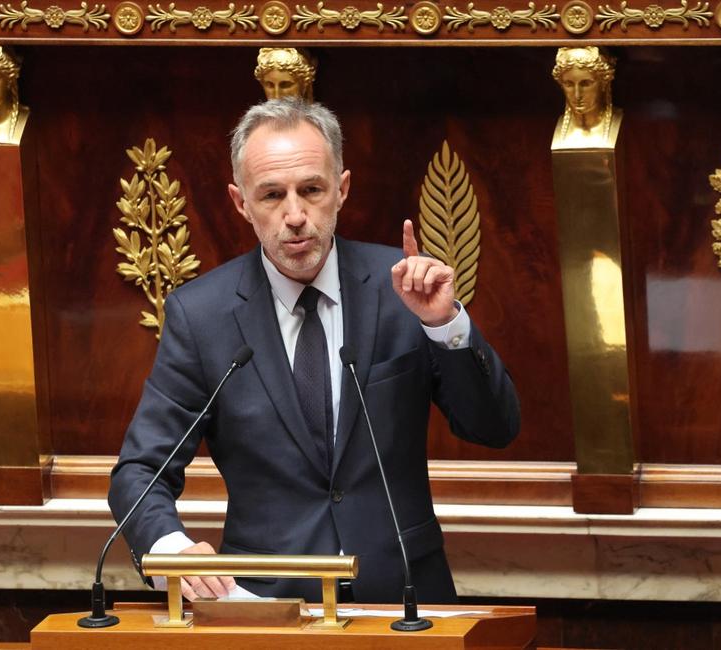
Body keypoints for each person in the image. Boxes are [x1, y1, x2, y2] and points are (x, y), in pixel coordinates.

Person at [108, 98, 520, 605]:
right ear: (241, 203)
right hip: (267, 607)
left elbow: (495, 427)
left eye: (311, 190)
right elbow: (140, 471)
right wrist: (173, 551)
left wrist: (443, 324)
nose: (296, 216)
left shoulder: (403, 292)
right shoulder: (202, 317)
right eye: (272, 195)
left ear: (341, 189)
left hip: (403, 601)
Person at [551, 46, 618, 148]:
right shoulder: (547, 129)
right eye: (569, 84)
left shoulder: (624, 125)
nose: (577, 95)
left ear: (604, 82)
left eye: (586, 84)